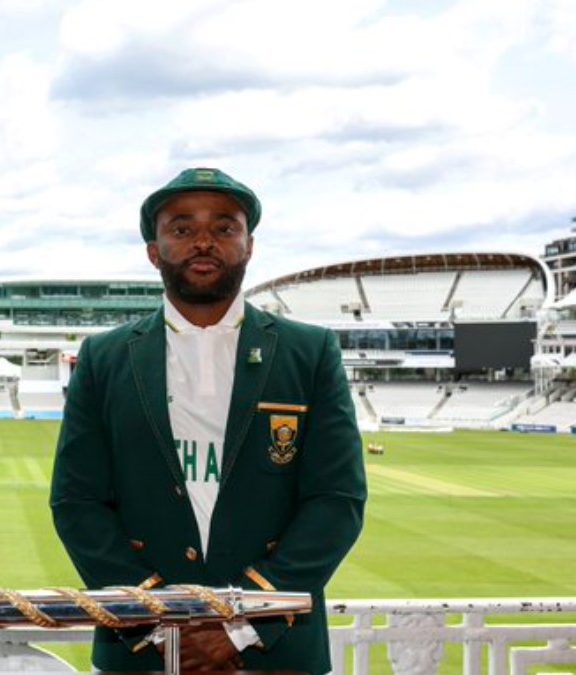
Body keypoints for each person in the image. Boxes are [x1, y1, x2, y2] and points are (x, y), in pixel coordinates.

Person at [50, 168, 366, 674]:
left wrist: (243, 626)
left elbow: (337, 501)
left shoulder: (309, 352)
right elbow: (77, 503)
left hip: (277, 652)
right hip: (143, 652)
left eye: (224, 227)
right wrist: (159, 621)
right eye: (181, 228)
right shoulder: (103, 357)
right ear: (153, 251)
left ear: (249, 245)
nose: (203, 241)